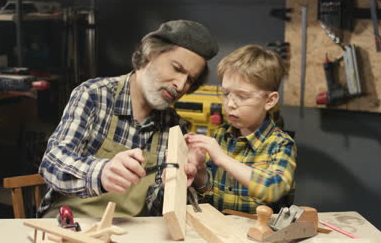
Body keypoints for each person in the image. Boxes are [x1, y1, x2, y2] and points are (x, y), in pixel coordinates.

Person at [38, 20, 218, 218]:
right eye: (177, 68)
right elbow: (51, 164)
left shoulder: (175, 127)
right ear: (150, 54)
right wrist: (101, 173)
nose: (181, 85)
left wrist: (179, 182)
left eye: (190, 79)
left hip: (130, 233)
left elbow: (156, 209)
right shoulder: (94, 96)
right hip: (71, 223)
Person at [185, 45, 296, 214]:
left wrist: (222, 158)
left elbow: (273, 189)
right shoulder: (220, 136)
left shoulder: (281, 144)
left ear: (270, 100)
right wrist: (200, 171)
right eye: (226, 93)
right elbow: (208, 193)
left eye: (242, 96)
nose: (230, 104)